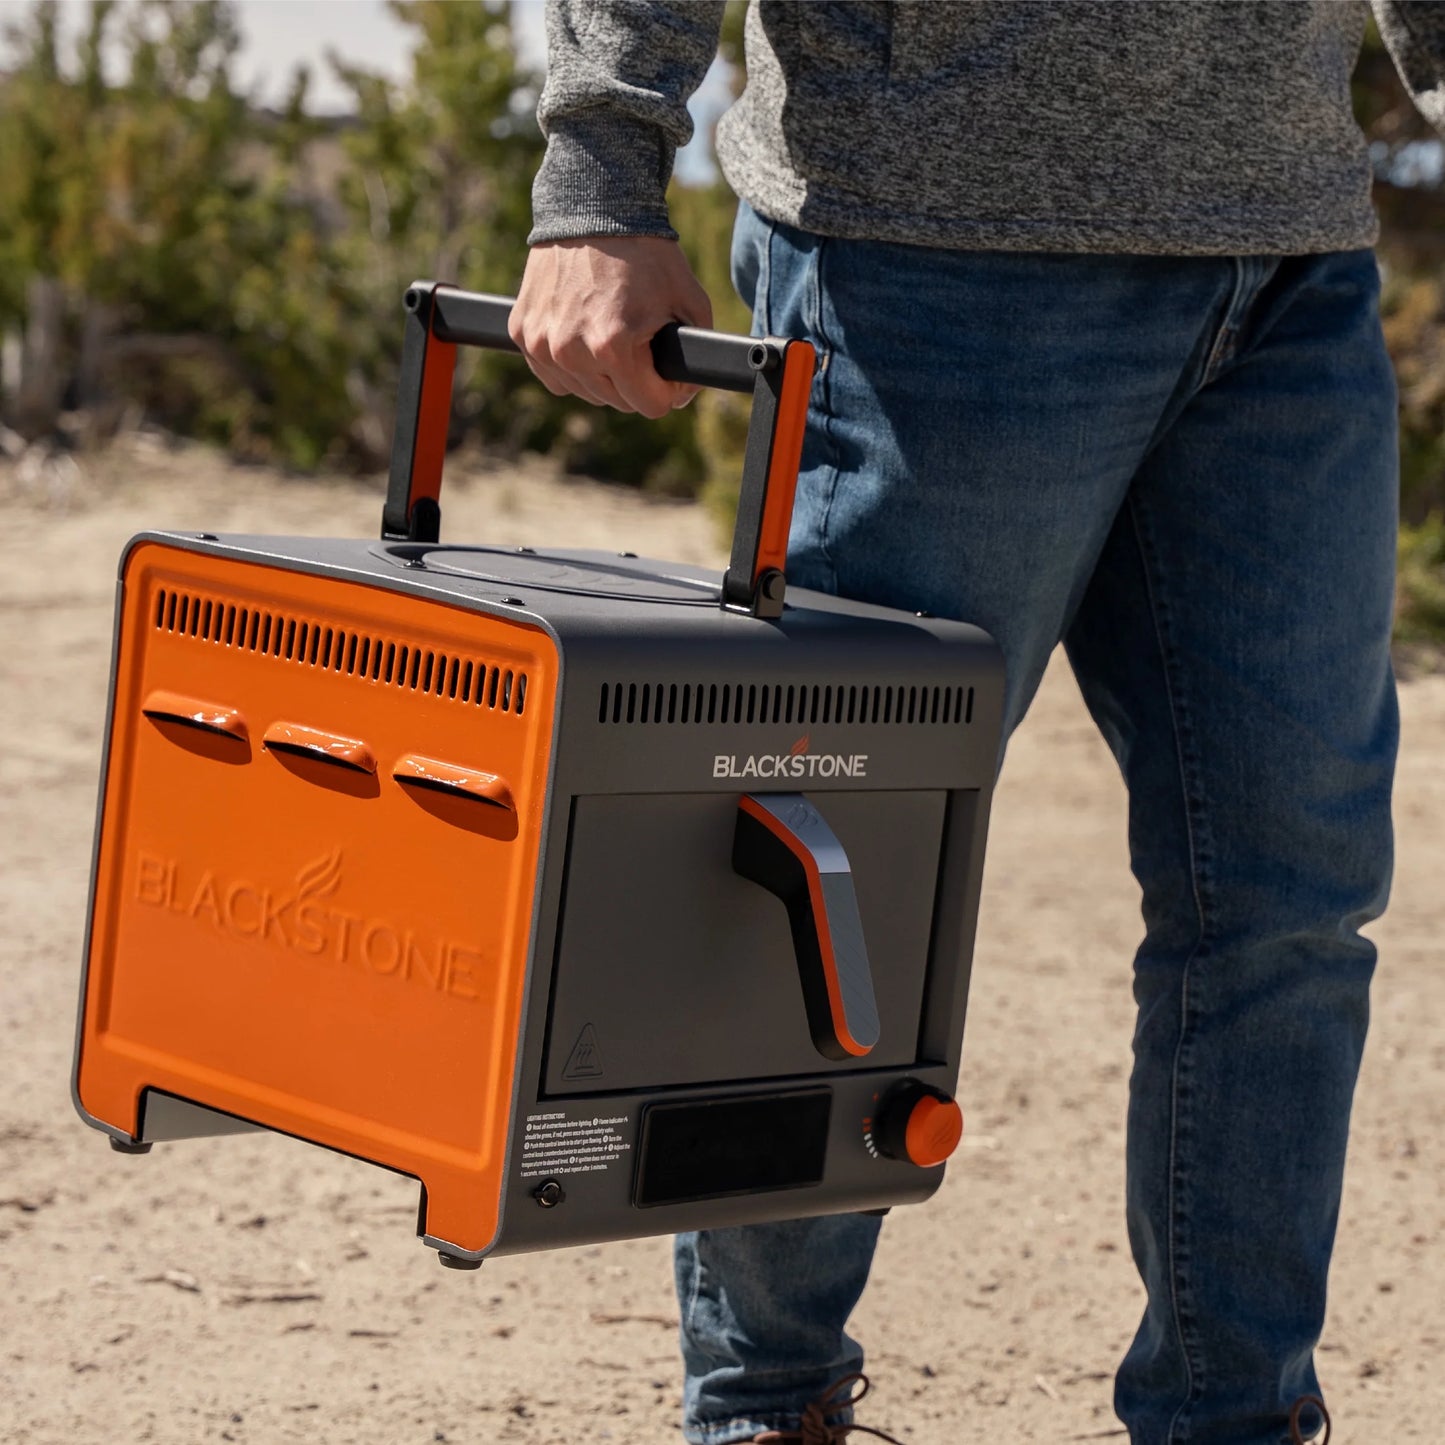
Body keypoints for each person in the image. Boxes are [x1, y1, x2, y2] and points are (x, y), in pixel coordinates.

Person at [509, 4, 1445, 1442]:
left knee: (1290, 897)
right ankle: (764, 1406)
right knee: (822, 864)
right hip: (919, 247)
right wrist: (599, 168)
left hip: (1286, 258)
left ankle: (1231, 1418)